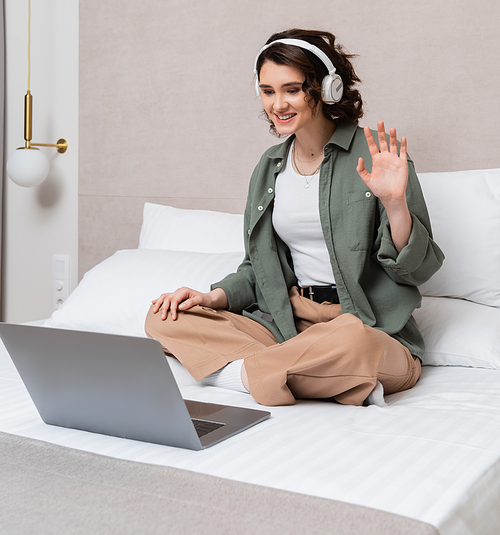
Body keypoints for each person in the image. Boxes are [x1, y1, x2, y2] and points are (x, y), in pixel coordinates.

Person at [145, 29, 444, 406]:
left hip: (365, 326)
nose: (278, 104)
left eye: (291, 89)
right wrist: (209, 297)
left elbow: (417, 270)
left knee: (352, 341)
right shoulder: (269, 166)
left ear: (326, 88)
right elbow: (259, 268)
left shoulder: (376, 156)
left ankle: (242, 374)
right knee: (163, 319)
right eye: (268, 91)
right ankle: (297, 373)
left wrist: (395, 204)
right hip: (288, 324)